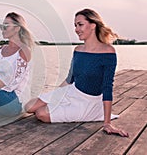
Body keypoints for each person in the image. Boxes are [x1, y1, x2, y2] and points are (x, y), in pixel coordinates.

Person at [25, 8, 129, 137]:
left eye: (80, 24)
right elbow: (70, 79)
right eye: (75, 25)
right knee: (29, 107)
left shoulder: (108, 52)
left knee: (41, 114)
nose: (76, 29)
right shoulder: (78, 50)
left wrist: (107, 123)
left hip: (88, 102)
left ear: (93, 25)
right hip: (71, 90)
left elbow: (107, 87)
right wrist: (56, 96)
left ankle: (97, 114)